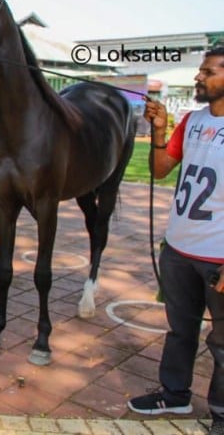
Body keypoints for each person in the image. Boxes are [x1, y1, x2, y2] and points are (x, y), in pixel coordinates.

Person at [127, 47, 224, 435]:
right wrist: (160, 130)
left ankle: (220, 413)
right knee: (180, 329)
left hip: (218, 256)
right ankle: (175, 393)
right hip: (179, 249)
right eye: (200, 71)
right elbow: (161, 168)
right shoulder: (194, 120)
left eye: (208, 71)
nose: (198, 77)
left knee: (222, 342)